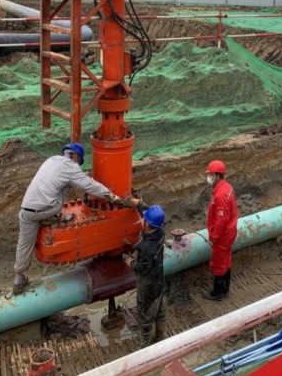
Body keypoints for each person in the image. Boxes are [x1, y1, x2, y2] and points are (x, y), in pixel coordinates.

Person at [13, 142, 119, 294]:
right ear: (75, 156)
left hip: (26, 208)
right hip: (48, 209)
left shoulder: (51, 160)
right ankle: (50, 217)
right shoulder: (71, 168)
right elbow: (89, 185)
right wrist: (111, 195)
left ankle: (19, 277)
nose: (78, 163)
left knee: (24, 241)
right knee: (66, 186)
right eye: (79, 160)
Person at [124, 204, 167, 348]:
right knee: (160, 312)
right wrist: (138, 204)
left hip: (148, 286)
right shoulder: (160, 232)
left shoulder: (146, 248)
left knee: (145, 317)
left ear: (147, 225)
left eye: (144, 218)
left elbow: (141, 268)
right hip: (159, 280)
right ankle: (160, 337)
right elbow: (152, 214)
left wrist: (130, 261)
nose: (142, 220)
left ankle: (145, 347)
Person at [202, 160, 239, 301]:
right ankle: (225, 289)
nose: (209, 177)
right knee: (226, 260)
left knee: (218, 263)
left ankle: (218, 293)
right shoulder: (227, 188)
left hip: (223, 235)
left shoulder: (220, 195)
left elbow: (222, 219)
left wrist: (215, 236)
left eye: (211, 174)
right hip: (229, 232)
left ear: (218, 175)